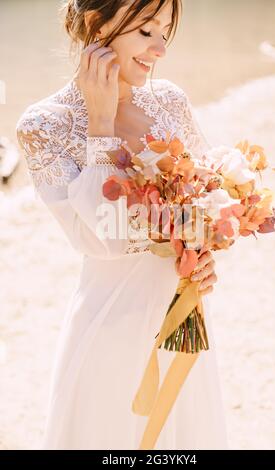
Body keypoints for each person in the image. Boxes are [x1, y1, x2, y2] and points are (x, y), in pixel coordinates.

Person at [15, 0, 228, 450]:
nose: (160, 49)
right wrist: (101, 124)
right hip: (109, 326)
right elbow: (102, 239)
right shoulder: (43, 126)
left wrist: (203, 253)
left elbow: (207, 206)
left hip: (183, 326)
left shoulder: (170, 101)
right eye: (146, 31)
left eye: (165, 32)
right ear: (97, 24)